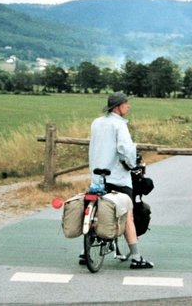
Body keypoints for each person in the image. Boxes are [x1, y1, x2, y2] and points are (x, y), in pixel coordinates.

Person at [84, 92, 154, 269]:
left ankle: (87, 250)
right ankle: (136, 257)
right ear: (118, 107)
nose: (128, 106)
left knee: (99, 210)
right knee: (127, 214)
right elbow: (126, 148)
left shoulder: (96, 123)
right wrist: (132, 164)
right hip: (117, 176)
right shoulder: (119, 125)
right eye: (126, 104)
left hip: (97, 175)